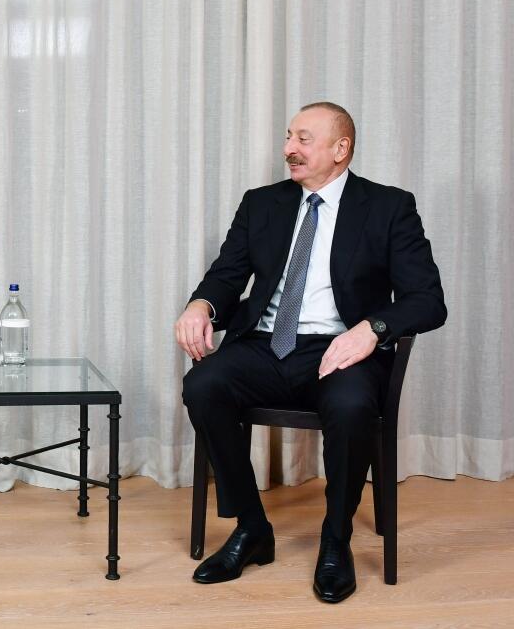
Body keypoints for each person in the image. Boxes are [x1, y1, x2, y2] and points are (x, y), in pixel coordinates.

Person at [175, 102, 446, 603]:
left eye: (302, 139)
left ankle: (336, 539)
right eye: (288, 137)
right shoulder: (262, 203)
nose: (288, 150)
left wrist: (372, 329)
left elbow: (428, 300)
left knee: (351, 405)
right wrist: (200, 305)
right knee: (203, 384)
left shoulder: (388, 207)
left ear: (341, 149)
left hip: (340, 349)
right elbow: (227, 275)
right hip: (266, 344)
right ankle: (252, 528)